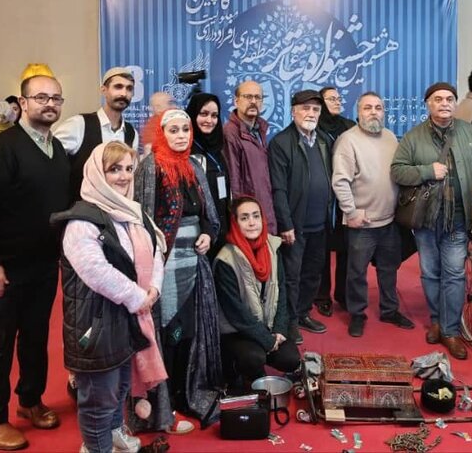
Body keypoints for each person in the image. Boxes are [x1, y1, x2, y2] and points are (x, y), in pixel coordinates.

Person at [0, 74, 72, 450]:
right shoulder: (3, 147)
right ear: (23, 104)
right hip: (3, 268)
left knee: (35, 337)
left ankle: (30, 400)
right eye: (41, 97)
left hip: (42, 265)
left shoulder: (55, 148)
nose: (50, 104)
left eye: (56, 98)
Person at [55, 142, 167, 453]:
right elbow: (96, 271)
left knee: (121, 387)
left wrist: (154, 289)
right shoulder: (81, 221)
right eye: (114, 169)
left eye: (129, 168)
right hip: (95, 324)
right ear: (96, 173)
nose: (124, 176)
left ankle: (115, 437)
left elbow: (155, 252)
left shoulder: (133, 212)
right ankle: (96, 448)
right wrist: (138, 297)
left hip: (126, 318)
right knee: (98, 398)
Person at [391, 82, 472, 359]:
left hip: (459, 218)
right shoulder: (413, 137)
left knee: (454, 273)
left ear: (455, 103)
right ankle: (437, 319)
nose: (444, 103)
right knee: (429, 272)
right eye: (438, 99)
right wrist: (427, 171)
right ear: (428, 104)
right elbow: (397, 171)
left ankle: (450, 330)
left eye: (449, 99)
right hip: (425, 219)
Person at [134, 109, 221, 432]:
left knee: (189, 329)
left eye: (186, 129)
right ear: (162, 133)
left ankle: (185, 393)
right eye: (174, 130)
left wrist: (208, 234)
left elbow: (209, 212)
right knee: (167, 329)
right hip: (164, 263)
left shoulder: (193, 167)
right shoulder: (150, 167)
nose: (182, 135)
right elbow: (142, 218)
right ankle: (164, 402)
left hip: (193, 261)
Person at [332, 92, 414, 338]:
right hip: (361, 222)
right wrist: (351, 212)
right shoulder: (347, 140)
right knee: (356, 273)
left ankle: (389, 310)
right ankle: (357, 314)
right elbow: (340, 181)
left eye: (378, 107)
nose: (374, 112)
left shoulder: (390, 137)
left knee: (389, 269)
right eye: (367, 108)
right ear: (358, 112)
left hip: (389, 220)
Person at [269, 90, 335, 344]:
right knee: (292, 277)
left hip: (320, 223)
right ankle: (290, 321)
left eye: (315, 109)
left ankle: (304, 313)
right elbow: (278, 188)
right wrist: (286, 224)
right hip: (295, 226)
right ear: (293, 111)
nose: (311, 114)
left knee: (313, 273)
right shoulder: (281, 143)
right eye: (305, 108)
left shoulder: (324, 141)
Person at [214, 196, 300, 384]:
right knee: (253, 358)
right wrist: (266, 340)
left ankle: (258, 360)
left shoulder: (273, 247)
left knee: (291, 359)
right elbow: (236, 313)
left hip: (268, 324)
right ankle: (235, 371)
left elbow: (282, 292)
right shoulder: (226, 259)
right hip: (237, 331)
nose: (252, 223)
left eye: (256, 216)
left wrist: (279, 329)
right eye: (244, 218)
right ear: (235, 222)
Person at [53, 67, 139, 199]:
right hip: (80, 207)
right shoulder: (79, 124)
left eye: (129, 88)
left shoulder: (131, 133)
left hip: (116, 209)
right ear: (104, 90)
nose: (124, 93)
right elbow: (49, 160)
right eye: (118, 87)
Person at [314, 86, 356, 316]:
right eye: (332, 99)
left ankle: (343, 294)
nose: (338, 102)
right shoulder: (312, 127)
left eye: (339, 98)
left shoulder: (349, 127)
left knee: (345, 248)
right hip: (321, 197)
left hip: (346, 195)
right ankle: (322, 296)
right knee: (321, 250)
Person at [224, 80, 277, 234]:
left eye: (258, 97)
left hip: (264, 213)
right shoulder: (230, 134)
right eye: (248, 97)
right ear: (236, 101)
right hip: (249, 221)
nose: (253, 101)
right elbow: (234, 182)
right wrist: (241, 219)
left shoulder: (260, 130)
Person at [186, 92, 230, 256]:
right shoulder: (186, 150)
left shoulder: (217, 148)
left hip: (222, 227)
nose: (209, 120)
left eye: (214, 115)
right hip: (201, 234)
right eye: (203, 114)